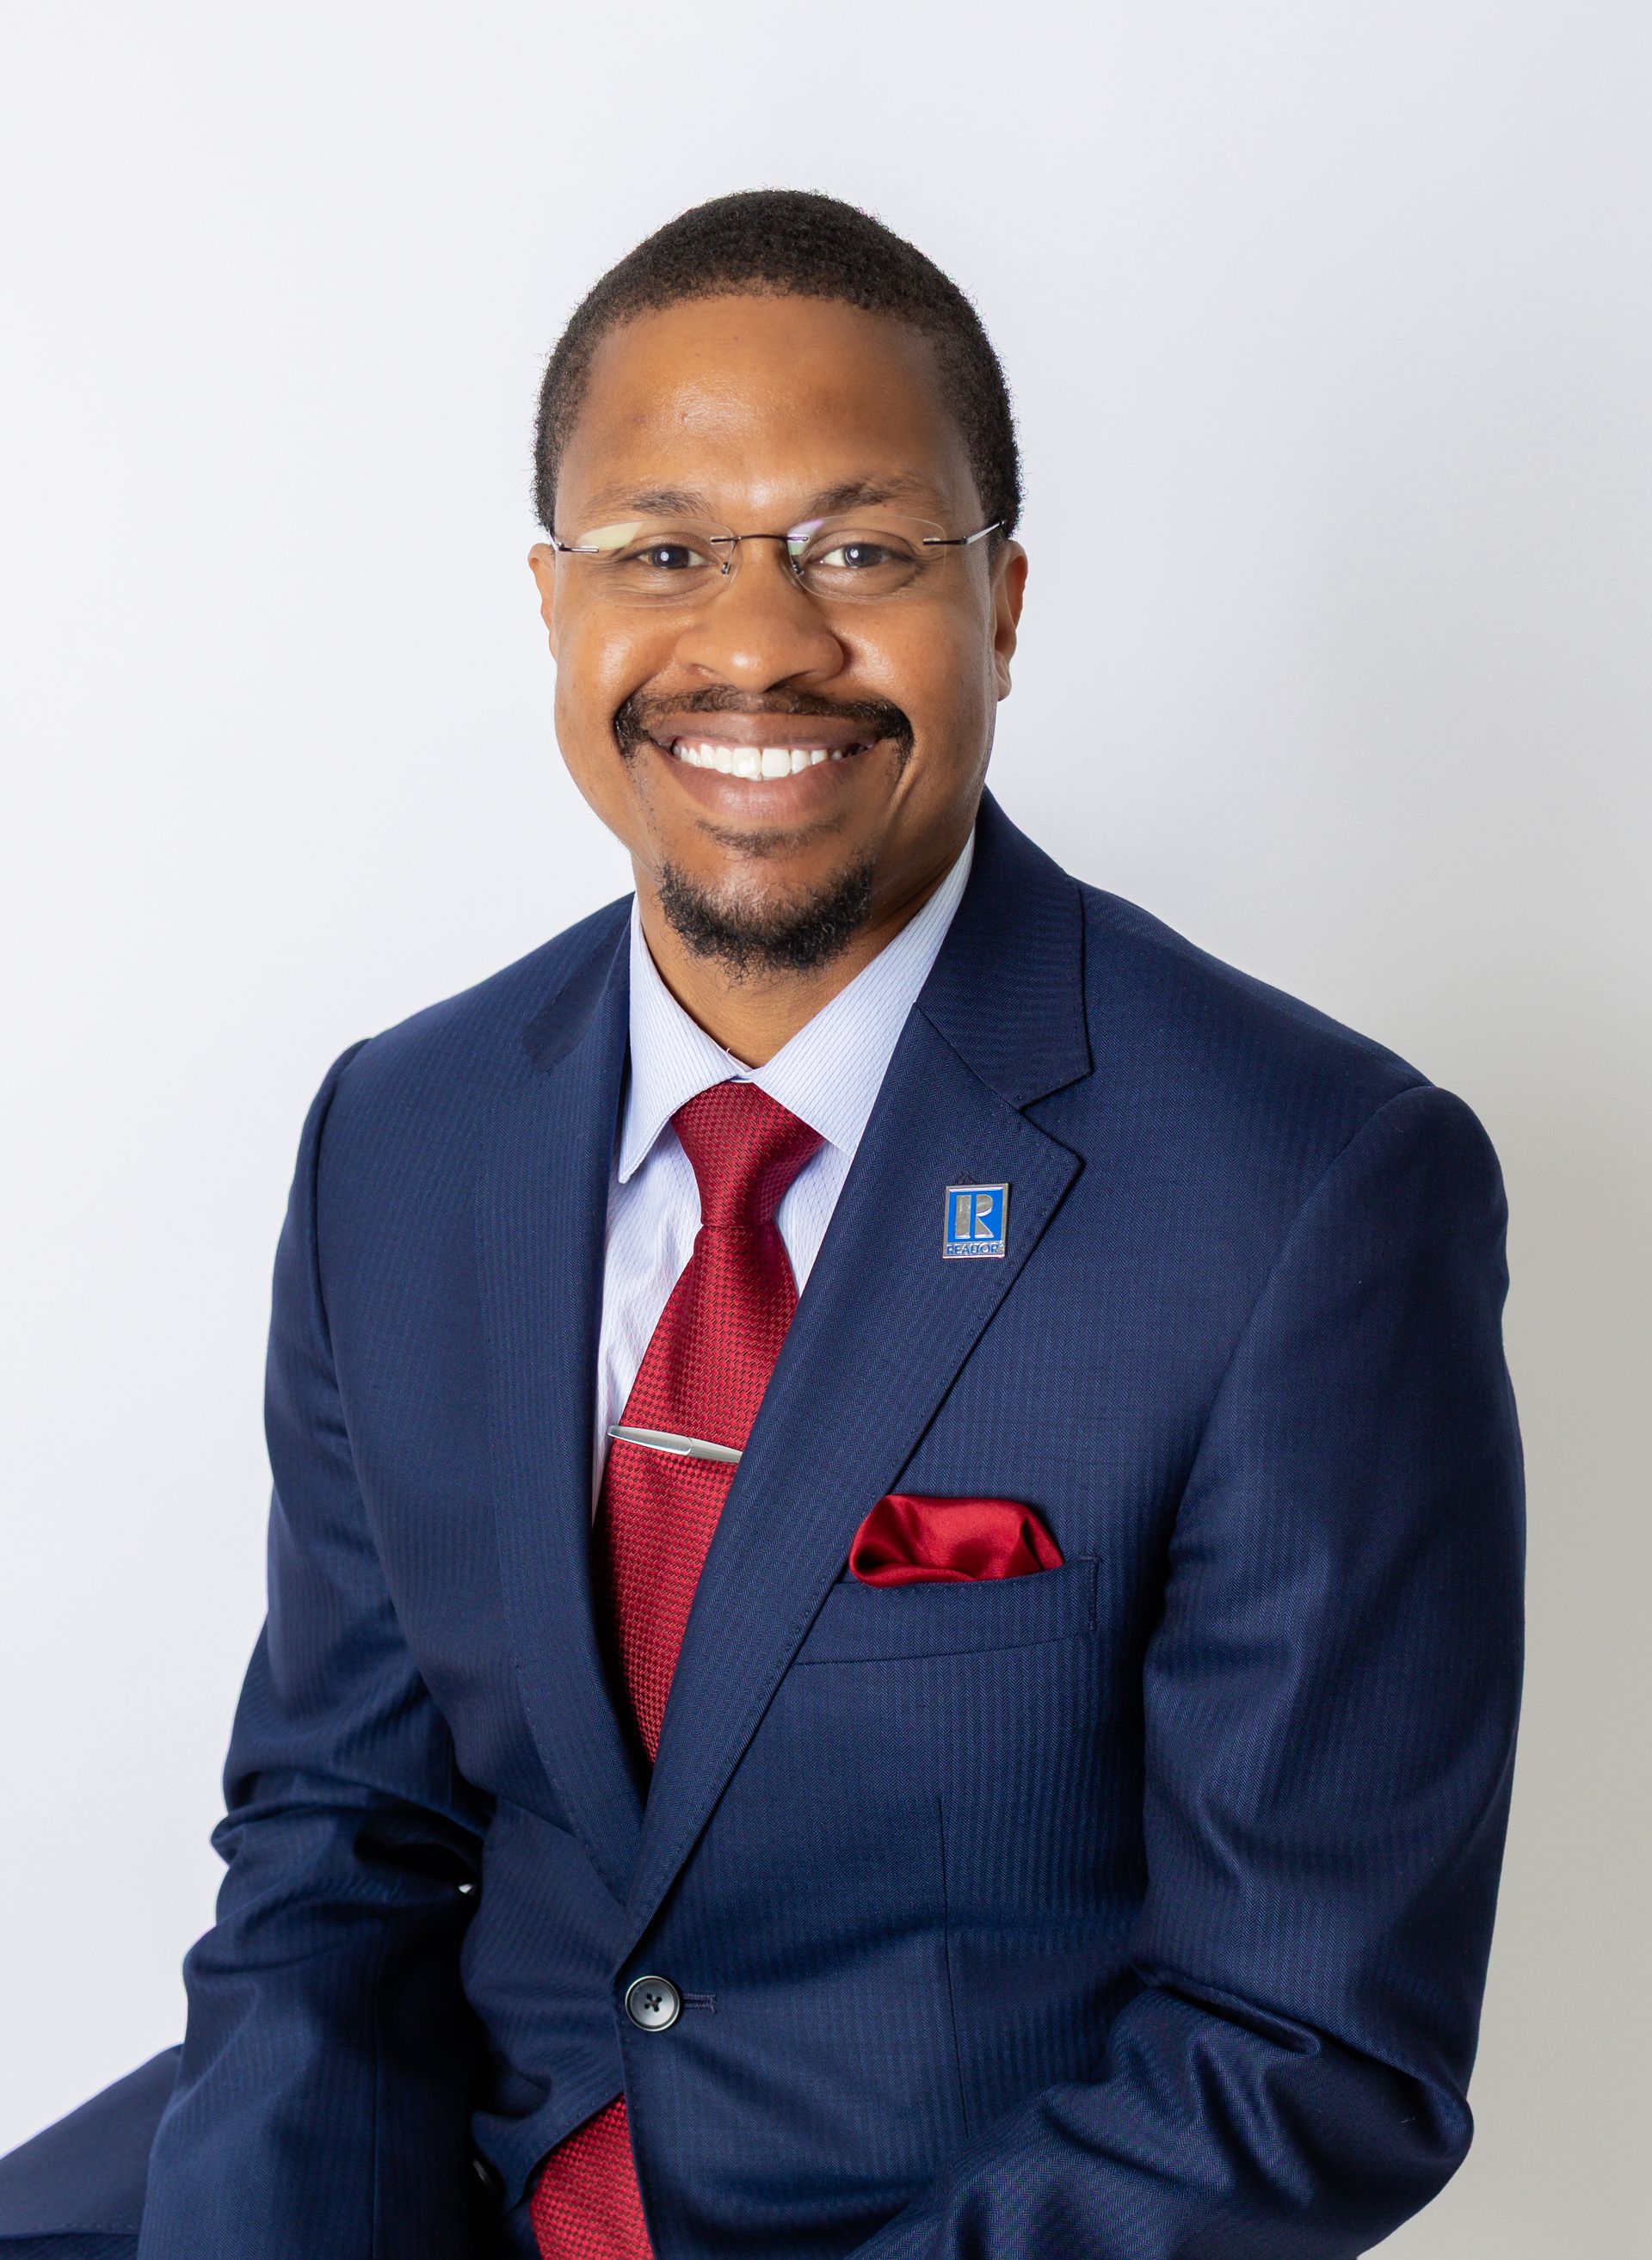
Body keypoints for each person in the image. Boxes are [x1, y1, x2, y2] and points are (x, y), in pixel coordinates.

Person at [0, 189, 1524, 2260]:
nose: (754, 640)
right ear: (554, 604)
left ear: (1002, 606)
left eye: (860, 550)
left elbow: (1305, 2050)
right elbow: (337, 1845)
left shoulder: (1309, 1191)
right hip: (465, 2150)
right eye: (664, 553)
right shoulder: (404, 1129)